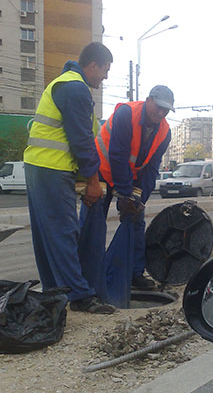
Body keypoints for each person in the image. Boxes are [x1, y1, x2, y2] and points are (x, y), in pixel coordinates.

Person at [23, 42, 115, 314]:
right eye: (105, 70)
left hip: (39, 167)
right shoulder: (75, 88)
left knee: (47, 235)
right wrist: (93, 181)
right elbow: (81, 140)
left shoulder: (64, 83)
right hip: (51, 169)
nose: (105, 77)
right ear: (93, 65)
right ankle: (80, 296)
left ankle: (56, 293)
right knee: (64, 232)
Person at [93, 85, 173, 290]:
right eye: (158, 106)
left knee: (136, 219)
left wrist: (138, 200)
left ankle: (134, 273)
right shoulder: (125, 114)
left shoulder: (164, 132)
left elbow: (151, 169)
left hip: (128, 176)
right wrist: (124, 195)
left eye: (166, 110)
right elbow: (118, 157)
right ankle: (89, 272)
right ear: (148, 100)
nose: (161, 112)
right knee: (94, 221)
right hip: (102, 170)